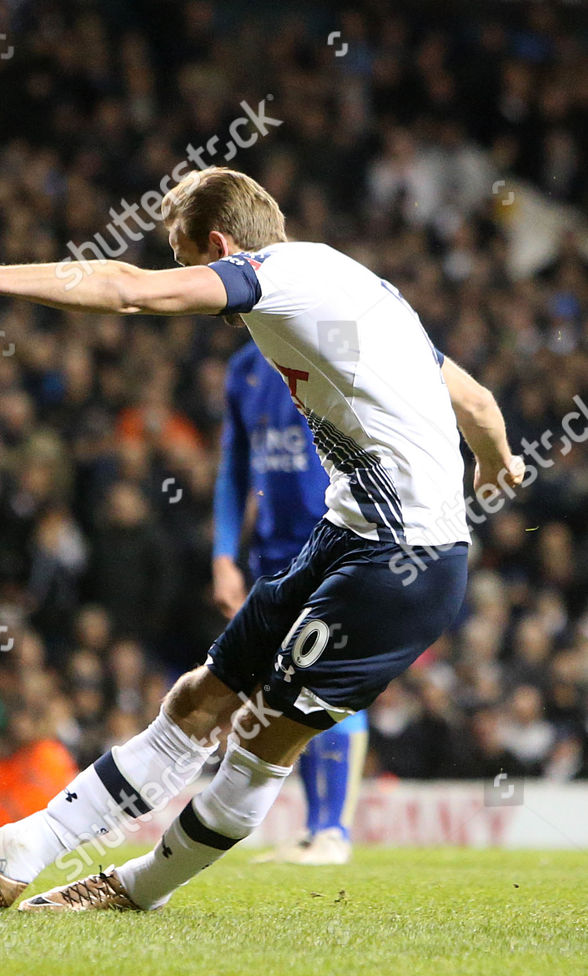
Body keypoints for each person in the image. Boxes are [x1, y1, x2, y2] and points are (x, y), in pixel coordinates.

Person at [0, 167, 525, 912]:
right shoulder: (359, 286)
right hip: (346, 536)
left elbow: (126, 289)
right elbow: (477, 400)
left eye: (187, 258)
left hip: (401, 563)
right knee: (201, 697)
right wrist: (497, 461)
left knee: (259, 742)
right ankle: (14, 853)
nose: (189, 278)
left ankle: (134, 889)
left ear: (221, 247)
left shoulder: (274, 278)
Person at [214, 340, 368, 865]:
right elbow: (234, 467)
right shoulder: (243, 368)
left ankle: (333, 832)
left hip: (337, 543)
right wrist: (223, 555)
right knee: (285, 685)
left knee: (329, 678)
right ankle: (314, 828)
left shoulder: (328, 349)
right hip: (272, 556)